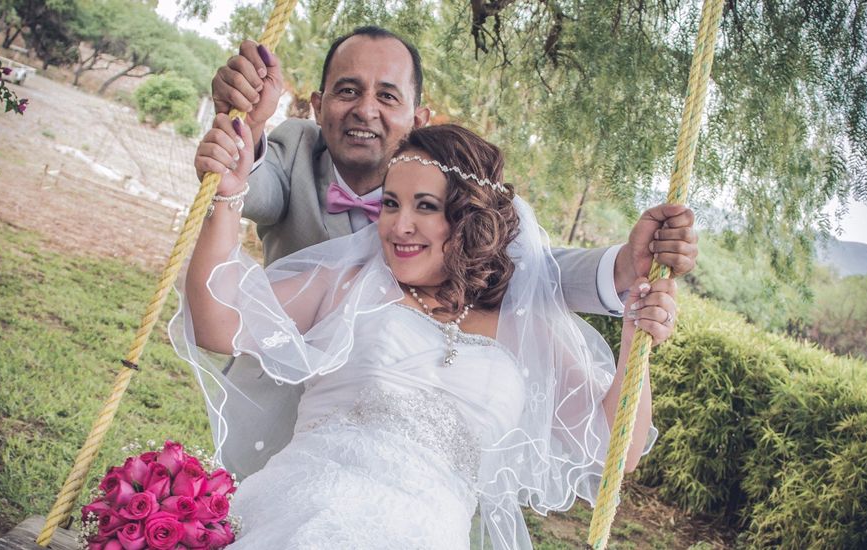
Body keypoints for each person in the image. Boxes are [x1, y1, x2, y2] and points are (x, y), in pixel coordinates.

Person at [172, 122, 677, 549]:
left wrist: (637, 337)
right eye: (391, 204)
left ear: (470, 219)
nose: (399, 226)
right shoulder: (351, 281)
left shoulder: (531, 325)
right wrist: (226, 198)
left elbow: (616, 452)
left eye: (425, 207)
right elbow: (217, 323)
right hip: (304, 513)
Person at [195, 26, 697, 317]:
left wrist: (627, 268)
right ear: (318, 104)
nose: (365, 109)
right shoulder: (293, 146)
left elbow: (538, 272)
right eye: (348, 91)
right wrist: (246, 132)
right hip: (279, 403)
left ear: (419, 119)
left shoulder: (455, 191)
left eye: (387, 96)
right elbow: (251, 192)